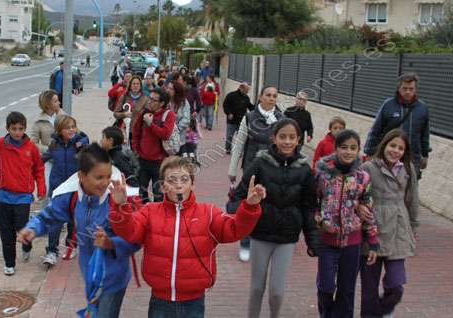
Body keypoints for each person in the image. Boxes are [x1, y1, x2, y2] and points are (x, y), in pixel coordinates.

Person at [109, 156, 266, 318]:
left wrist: (250, 207)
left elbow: (235, 230)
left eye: (184, 179)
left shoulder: (208, 212)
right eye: (171, 180)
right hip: (159, 300)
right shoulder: (150, 212)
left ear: (193, 184)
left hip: (194, 301)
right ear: (162, 186)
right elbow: (129, 231)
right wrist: (120, 206)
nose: (178, 184)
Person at [18, 144, 140, 318]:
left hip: (114, 276)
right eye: (99, 177)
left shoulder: (120, 199)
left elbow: (135, 239)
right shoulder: (71, 196)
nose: (105, 183)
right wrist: (33, 228)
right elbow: (49, 216)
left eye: (108, 176)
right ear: (82, 176)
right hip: (90, 273)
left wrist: (111, 243)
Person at [233, 118, 320, 318]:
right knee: (256, 288)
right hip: (260, 234)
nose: (287, 142)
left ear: (299, 139)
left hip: (286, 238)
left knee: (277, 292)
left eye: (292, 137)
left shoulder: (305, 169)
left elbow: (309, 207)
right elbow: (239, 195)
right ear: (274, 138)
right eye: (282, 137)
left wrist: (313, 239)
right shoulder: (260, 162)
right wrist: (245, 208)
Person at [314, 129, 379, 318]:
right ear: (336, 148)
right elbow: (313, 204)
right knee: (326, 287)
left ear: (358, 150)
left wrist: (373, 240)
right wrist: (320, 220)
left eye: (353, 148)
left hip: (352, 242)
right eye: (344, 147)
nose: (348, 152)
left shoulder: (362, 178)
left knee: (347, 289)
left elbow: (368, 209)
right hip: (328, 241)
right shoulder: (323, 176)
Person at [359, 129, 420, 318]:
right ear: (384, 145)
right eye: (392, 145)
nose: (395, 150)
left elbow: (412, 200)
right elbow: (357, 194)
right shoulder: (369, 167)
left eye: (400, 148)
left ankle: (380, 313)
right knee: (369, 289)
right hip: (372, 233)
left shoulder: (408, 169)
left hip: (398, 232)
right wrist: (359, 207)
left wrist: (414, 226)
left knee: (396, 286)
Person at [0, 111, 46, 276]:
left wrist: (41, 188)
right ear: (7, 128)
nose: (17, 132)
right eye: (13, 128)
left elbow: (39, 169)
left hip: (23, 197)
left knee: (21, 228)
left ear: (25, 129)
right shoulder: (0, 145)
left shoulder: (31, 148)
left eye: (20, 129)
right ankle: (9, 263)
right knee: (6, 231)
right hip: (5, 195)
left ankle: (26, 245)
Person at [228, 86, 284, 262]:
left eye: (274, 96)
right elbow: (239, 143)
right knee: (249, 205)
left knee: (271, 206)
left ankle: (266, 242)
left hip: (274, 169)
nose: (271, 98)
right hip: (252, 169)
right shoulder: (249, 117)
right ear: (260, 97)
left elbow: (286, 146)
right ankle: (245, 243)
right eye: (268, 95)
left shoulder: (282, 119)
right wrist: (232, 169)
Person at [41, 115, 89, 266]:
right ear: (59, 130)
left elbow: (89, 161)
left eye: (73, 126)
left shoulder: (81, 144)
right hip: (58, 189)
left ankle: (71, 246)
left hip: (76, 190)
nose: (71, 130)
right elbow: (43, 158)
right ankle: (51, 252)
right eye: (67, 127)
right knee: (55, 221)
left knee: (73, 221)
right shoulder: (54, 144)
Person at [364, 73, 431, 179]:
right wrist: (369, 152)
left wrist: (425, 155)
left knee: (410, 189)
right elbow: (375, 130)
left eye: (411, 89)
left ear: (415, 89)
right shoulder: (388, 105)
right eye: (404, 88)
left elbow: (424, 134)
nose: (408, 92)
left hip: (413, 159)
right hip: (389, 156)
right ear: (399, 88)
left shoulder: (423, 108)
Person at [131, 88, 176, 203]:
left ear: (162, 103)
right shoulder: (144, 113)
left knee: (158, 194)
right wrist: (136, 149)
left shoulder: (169, 115)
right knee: (141, 193)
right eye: (149, 98)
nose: (149, 101)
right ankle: (144, 215)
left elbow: (165, 134)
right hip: (142, 160)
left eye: (153, 99)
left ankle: (156, 217)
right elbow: (135, 133)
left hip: (159, 162)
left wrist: (151, 124)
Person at [113, 77, 149, 147]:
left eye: (138, 84)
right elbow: (115, 114)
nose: (135, 86)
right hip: (124, 130)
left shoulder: (146, 99)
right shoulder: (124, 97)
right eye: (134, 84)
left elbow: (148, 115)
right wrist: (124, 114)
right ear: (130, 85)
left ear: (141, 86)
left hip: (139, 131)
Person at [29, 90, 65, 155]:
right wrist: (48, 149)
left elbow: (74, 132)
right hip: (49, 158)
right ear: (48, 105)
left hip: (65, 155)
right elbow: (32, 144)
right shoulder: (38, 122)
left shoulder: (63, 116)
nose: (59, 103)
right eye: (56, 101)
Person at [223, 82, 254, 154]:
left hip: (242, 121)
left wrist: (257, 109)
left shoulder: (246, 98)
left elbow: (250, 106)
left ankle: (239, 150)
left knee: (241, 137)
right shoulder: (231, 95)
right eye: (246, 90)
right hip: (232, 121)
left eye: (248, 90)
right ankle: (228, 149)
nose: (247, 92)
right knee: (229, 136)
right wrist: (229, 113)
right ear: (241, 88)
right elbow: (225, 105)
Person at [166, 81, 191, 154]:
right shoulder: (164, 101)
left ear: (176, 91)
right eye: (167, 88)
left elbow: (186, 119)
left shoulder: (184, 103)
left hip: (179, 138)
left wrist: (176, 129)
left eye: (171, 89)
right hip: (165, 139)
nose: (168, 90)